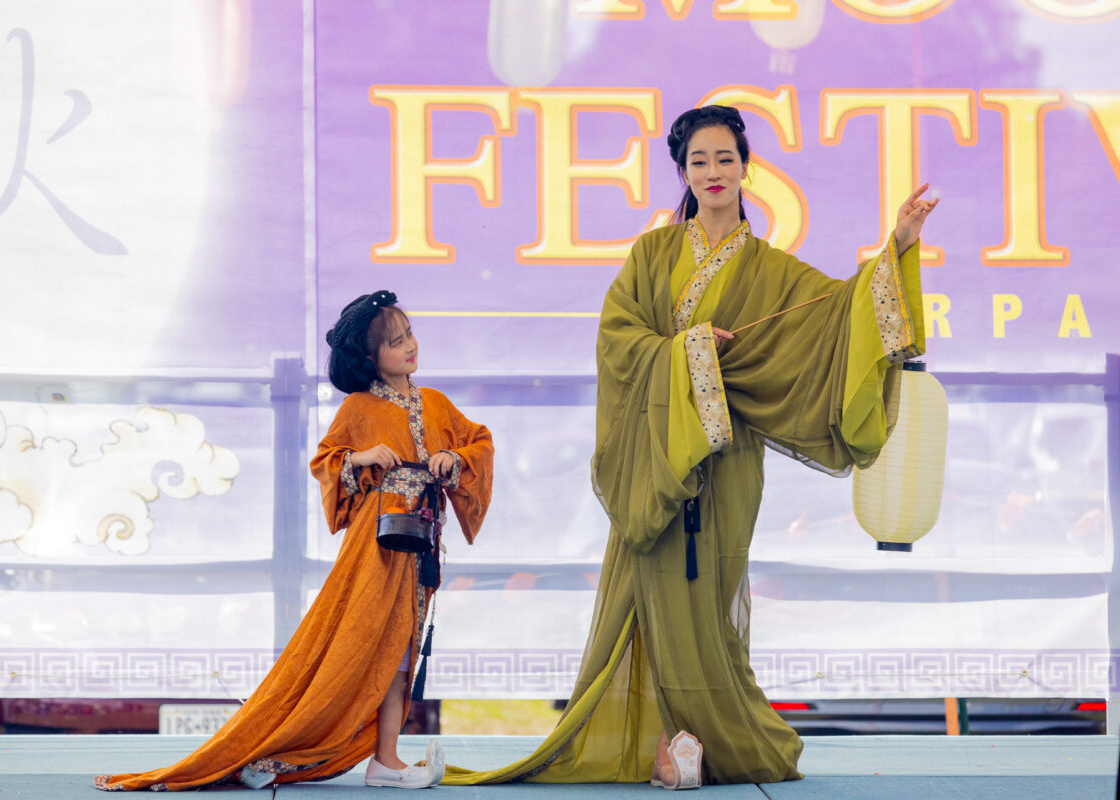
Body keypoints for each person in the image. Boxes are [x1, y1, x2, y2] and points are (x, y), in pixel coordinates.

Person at [444, 105, 935, 789]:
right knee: (646, 592)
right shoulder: (651, 254)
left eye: (724, 159)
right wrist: (690, 352)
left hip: (728, 461)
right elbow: (617, 340)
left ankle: (702, 739)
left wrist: (899, 245)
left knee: (708, 599)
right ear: (682, 172)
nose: (712, 172)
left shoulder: (773, 270)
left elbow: (840, 315)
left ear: (746, 169)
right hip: (654, 460)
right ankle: (672, 742)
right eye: (698, 161)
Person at [95, 290, 493, 791]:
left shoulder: (435, 403)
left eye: (409, 334)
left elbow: (478, 441)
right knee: (351, 644)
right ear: (370, 359)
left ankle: (385, 759)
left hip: (421, 542)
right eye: (395, 342)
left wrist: (452, 461)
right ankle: (281, 750)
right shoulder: (359, 406)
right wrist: (363, 456)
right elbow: (326, 461)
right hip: (376, 543)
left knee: (400, 649)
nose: (409, 346)